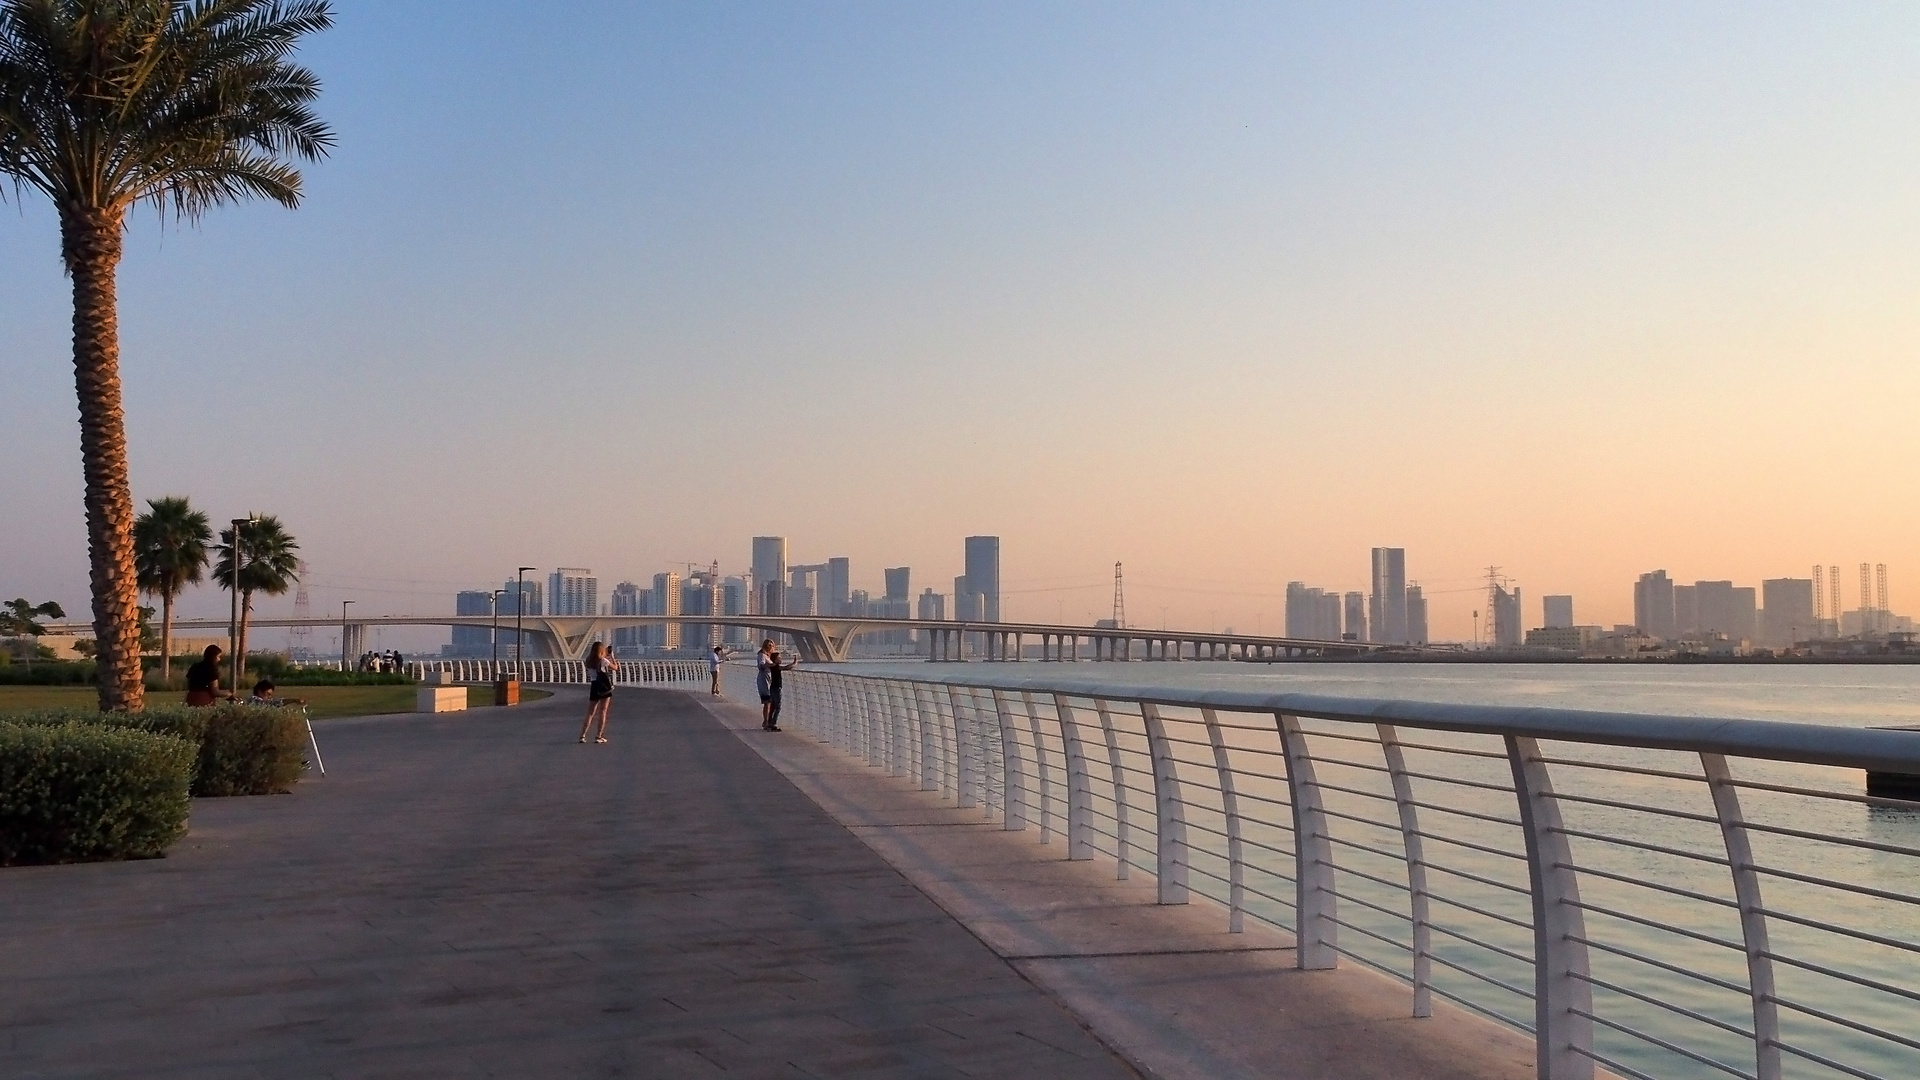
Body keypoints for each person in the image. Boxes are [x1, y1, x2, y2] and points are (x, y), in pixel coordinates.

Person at [578, 641, 616, 744]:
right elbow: (616, 668)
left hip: (594, 685)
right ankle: (598, 736)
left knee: (590, 713)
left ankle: (582, 736)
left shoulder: (588, 661)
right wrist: (612, 657)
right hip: (604, 687)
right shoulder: (603, 661)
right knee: (602, 712)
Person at [756, 639, 796, 732]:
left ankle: (767, 722)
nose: (771, 648)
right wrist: (773, 665)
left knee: (769, 703)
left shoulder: (767, 656)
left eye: (772, 646)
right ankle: (766, 722)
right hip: (764, 680)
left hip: (768, 681)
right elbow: (762, 665)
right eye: (769, 646)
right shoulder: (762, 655)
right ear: (765, 646)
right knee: (767, 702)